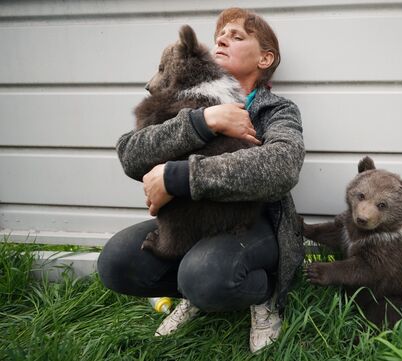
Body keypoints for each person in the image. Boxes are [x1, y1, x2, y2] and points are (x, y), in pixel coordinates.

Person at [97, 8, 305, 353]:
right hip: (192, 221)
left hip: (255, 225)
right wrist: (203, 121)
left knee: (205, 275)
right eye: (219, 36)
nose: (222, 39)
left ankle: (262, 293)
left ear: (265, 58)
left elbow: (281, 167)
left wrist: (177, 177)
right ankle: (195, 291)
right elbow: (130, 154)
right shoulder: (184, 100)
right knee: (117, 262)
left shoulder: (276, 110)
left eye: (237, 36)